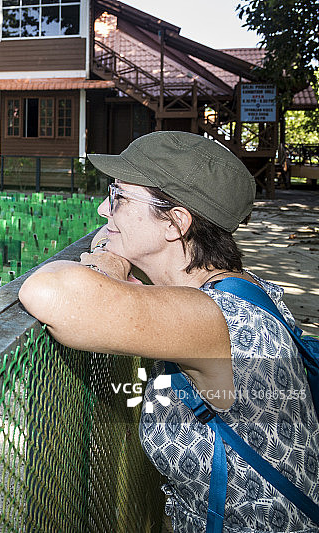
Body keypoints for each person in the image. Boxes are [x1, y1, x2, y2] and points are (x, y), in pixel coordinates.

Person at [18, 131, 319, 532]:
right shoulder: (237, 285)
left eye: (119, 197)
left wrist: (106, 265)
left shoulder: (214, 318)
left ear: (175, 223)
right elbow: (105, 238)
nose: (103, 208)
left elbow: (50, 291)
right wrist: (114, 248)